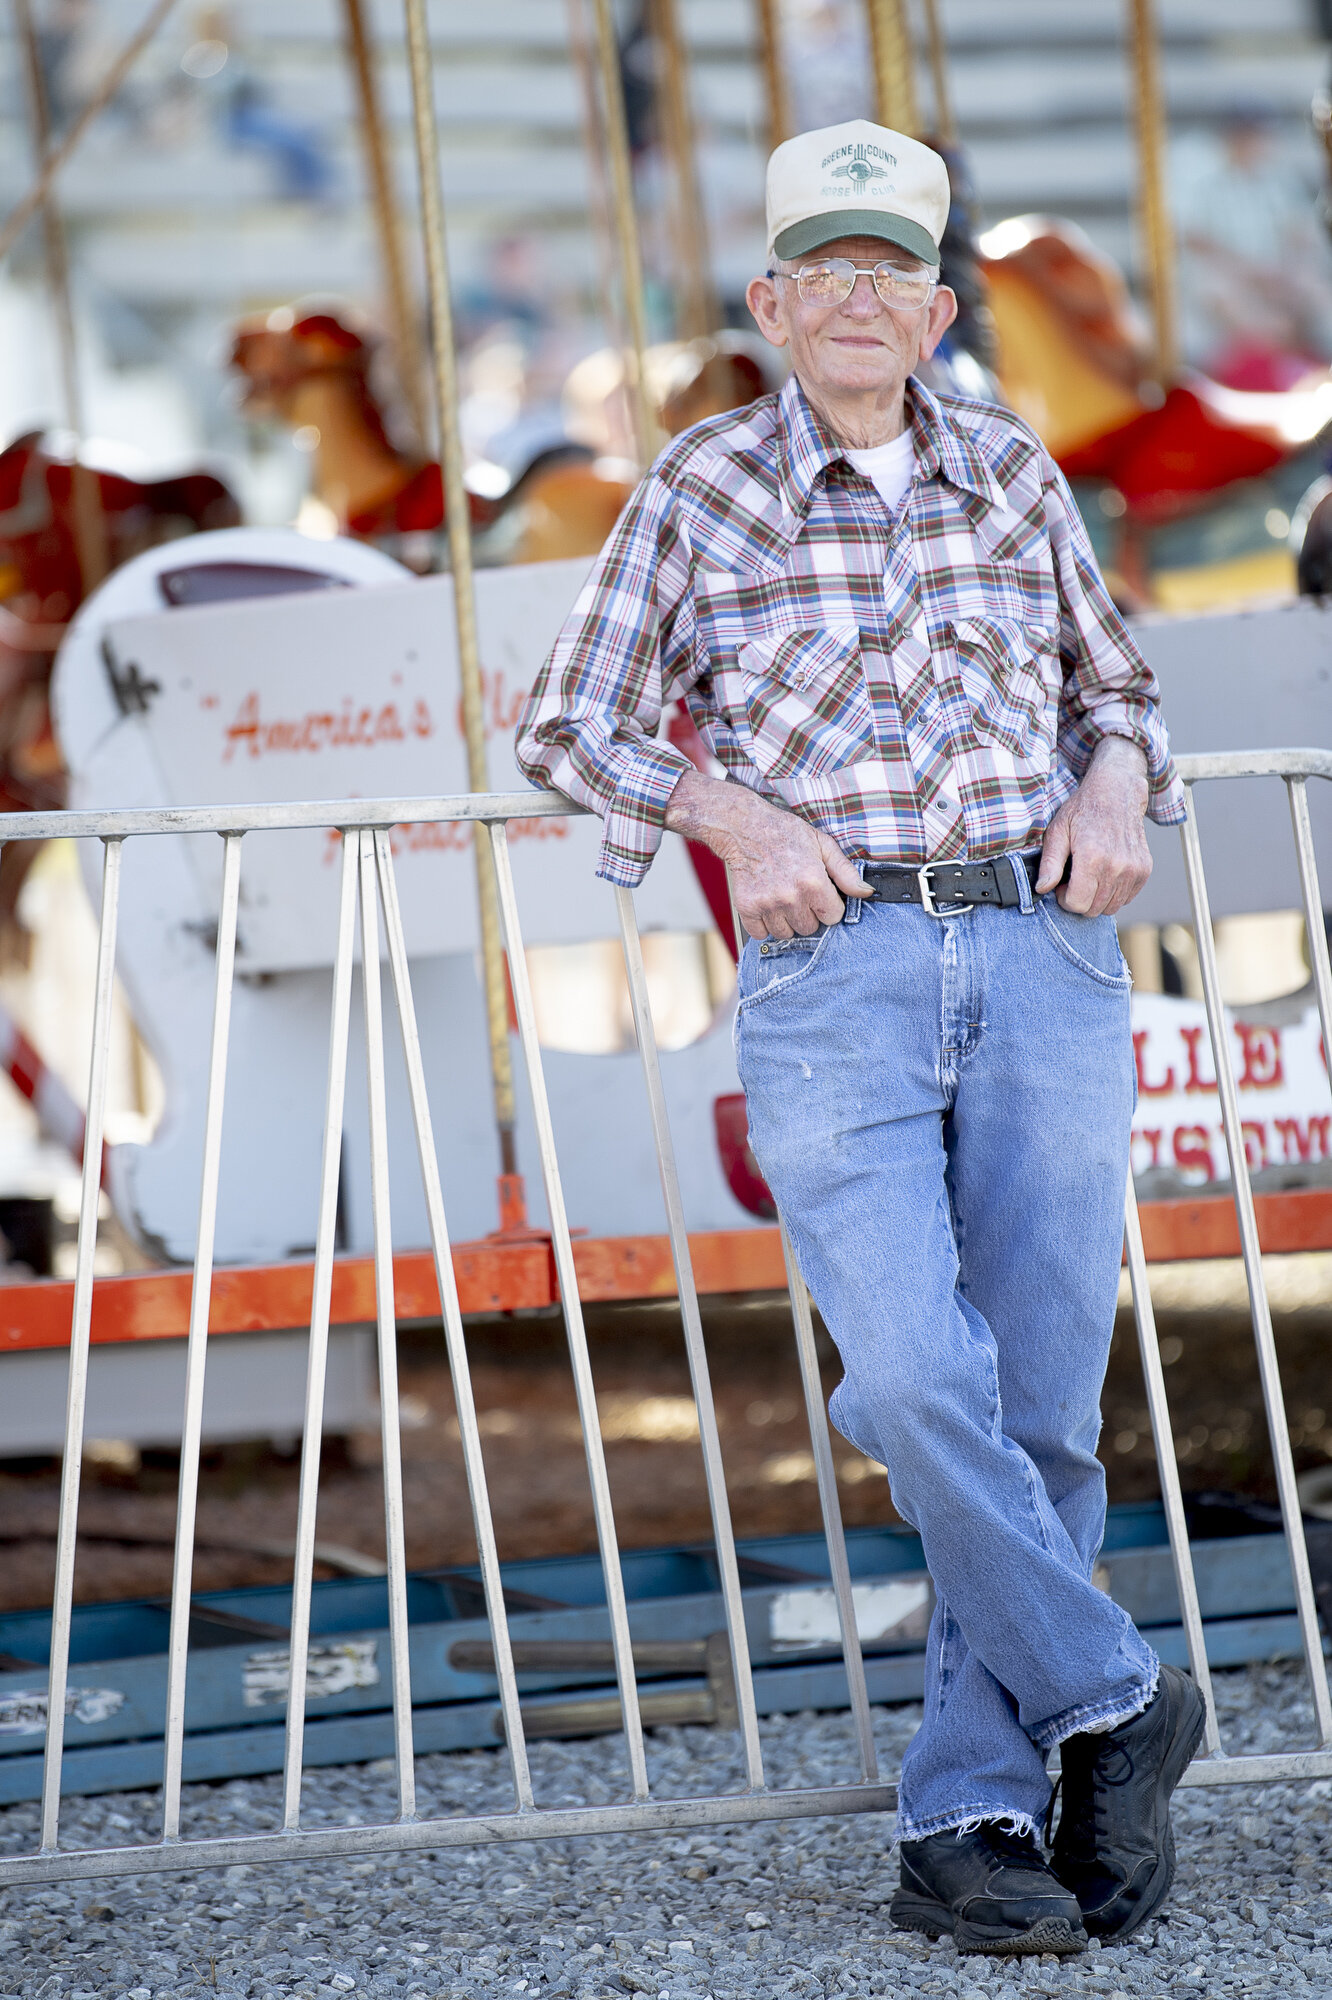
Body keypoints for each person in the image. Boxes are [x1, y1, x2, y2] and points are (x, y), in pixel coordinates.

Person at [515, 118, 1205, 1960]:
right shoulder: (700, 483)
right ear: (768, 302)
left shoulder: (1007, 464)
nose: (857, 301)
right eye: (822, 272)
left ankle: (973, 1818)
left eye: (891, 272)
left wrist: (1122, 782)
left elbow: (1115, 685)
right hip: (840, 970)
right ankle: (1116, 1694)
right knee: (909, 1380)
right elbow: (568, 726)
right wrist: (734, 819)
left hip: (1043, 944)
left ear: (937, 304)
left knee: (1045, 1404)